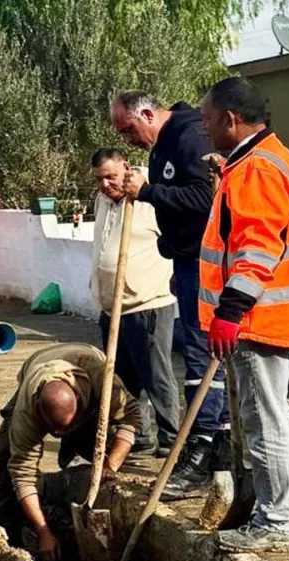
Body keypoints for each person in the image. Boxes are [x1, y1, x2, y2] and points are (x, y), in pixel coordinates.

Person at [110, 90, 230, 500]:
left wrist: (146, 192)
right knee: (200, 357)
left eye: (128, 129)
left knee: (200, 360)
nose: (127, 139)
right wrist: (174, 253)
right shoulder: (164, 144)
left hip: (207, 265)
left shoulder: (189, 136)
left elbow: (203, 198)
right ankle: (216, 446)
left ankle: (203, 445)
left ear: (147, 113)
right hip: (188, 264)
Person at [197, 76, 289, 552]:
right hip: (261, 317)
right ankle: (266, 509)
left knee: (266, 420)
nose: (204, 127)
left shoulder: (258, 168)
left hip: (258, 319)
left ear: (232, 120)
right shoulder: (257, 162)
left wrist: (230, 312)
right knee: (261, 419)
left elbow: (256, 249)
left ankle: (277, 521)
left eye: (208, 119)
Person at [0, 343, 142, 561]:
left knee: (100, 448)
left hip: (85, 359)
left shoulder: (102, 378)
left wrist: (111, 465)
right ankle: (10, 532)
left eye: (65, 428)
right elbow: (22, 473)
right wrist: (43, 532)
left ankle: (71, 501)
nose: (58, 435)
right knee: (5, 459)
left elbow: (132, 418)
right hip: (37, 363)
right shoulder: (27, 411)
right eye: (54, 430)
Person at [89, 149, 179, 458]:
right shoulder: (102, 200)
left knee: (156, 376)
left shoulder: (148, 195)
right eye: (99, 179)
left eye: (110, 177)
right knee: (123, 381)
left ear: (126, 168)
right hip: (111, 307)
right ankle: (138, 435)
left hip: (147, 304)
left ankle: (171, 439)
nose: (104, 184)